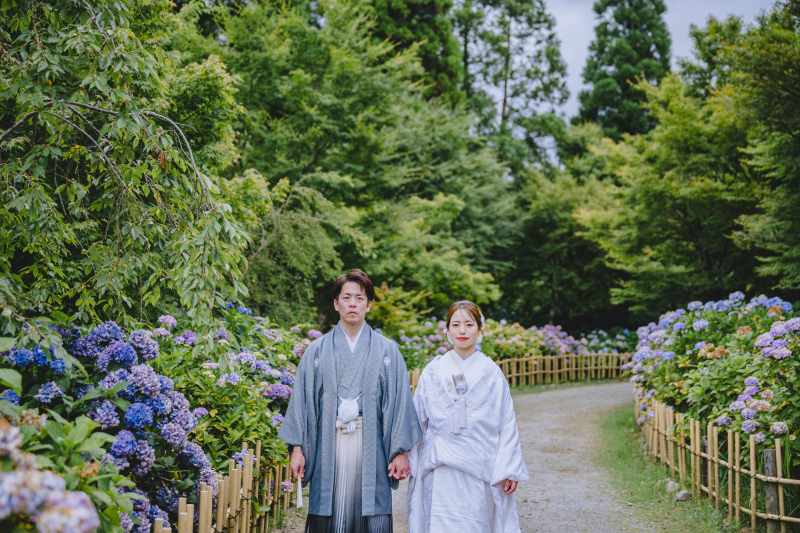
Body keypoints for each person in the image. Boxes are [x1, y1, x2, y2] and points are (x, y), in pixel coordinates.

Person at [278, 269, 422, 533]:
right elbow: (302, 401)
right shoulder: (316, 351)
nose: (353, 303)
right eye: (346, 298)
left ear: (369, 304)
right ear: (336, 303)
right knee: (327, 510)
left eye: (359, 298)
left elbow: (399, 402)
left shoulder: (387, 350)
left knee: (372, 510)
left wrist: (400, 451)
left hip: (372, 446)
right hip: (327, 444)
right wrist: (297, 448)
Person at [406, 301, 528, 532]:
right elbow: (417, 419)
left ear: (479, 329)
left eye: (469, 324)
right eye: (456, 324)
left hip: (480, 463)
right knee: (440, 522)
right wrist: (406, 456)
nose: (462, 331)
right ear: (448, 330)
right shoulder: (432, 370)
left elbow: (506, 422)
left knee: (475, 522)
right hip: (440, 464)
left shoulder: (491, 372)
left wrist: (509, 467)